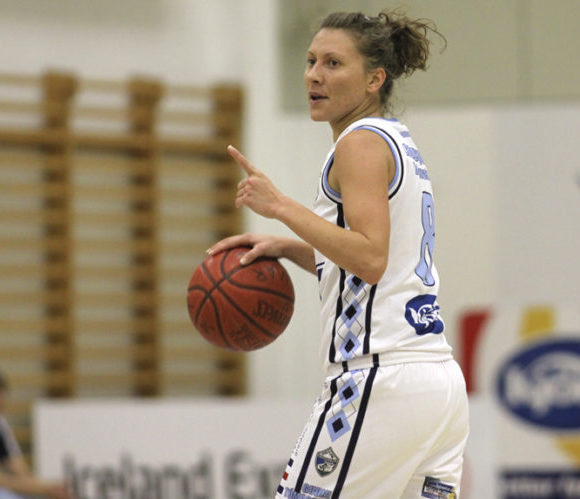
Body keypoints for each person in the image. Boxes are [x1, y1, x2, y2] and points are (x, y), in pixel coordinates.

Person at [208, 9, 469, 498]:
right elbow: (376, 263)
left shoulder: (360, 143)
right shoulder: (397, 140)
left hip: (378, 378)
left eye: (333, 63)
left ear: (374, 79)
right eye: (311, 61)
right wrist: (289, 248)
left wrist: (280, 206)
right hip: (436, 383)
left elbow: (369, 258)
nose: (314, 75)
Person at [0, 363, 73, 499]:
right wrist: (42, 488)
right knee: (2, 496)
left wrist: (48, 489)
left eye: (0, 394)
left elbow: (19, 469)